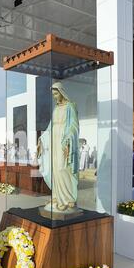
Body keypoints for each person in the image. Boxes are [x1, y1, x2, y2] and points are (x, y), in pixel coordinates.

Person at [37, 81, 79, 211]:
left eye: (56, 93)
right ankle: (56, 196)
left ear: (61, 92)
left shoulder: (70, 107)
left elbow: (74, 126)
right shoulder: (56, 109)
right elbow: (51, 127)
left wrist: (67, 140)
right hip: (54, 141)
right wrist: (41, 139)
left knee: (63, 168)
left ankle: (68, 198)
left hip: (63, 142)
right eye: (53, 94)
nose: (54, 96)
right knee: (55, 169)